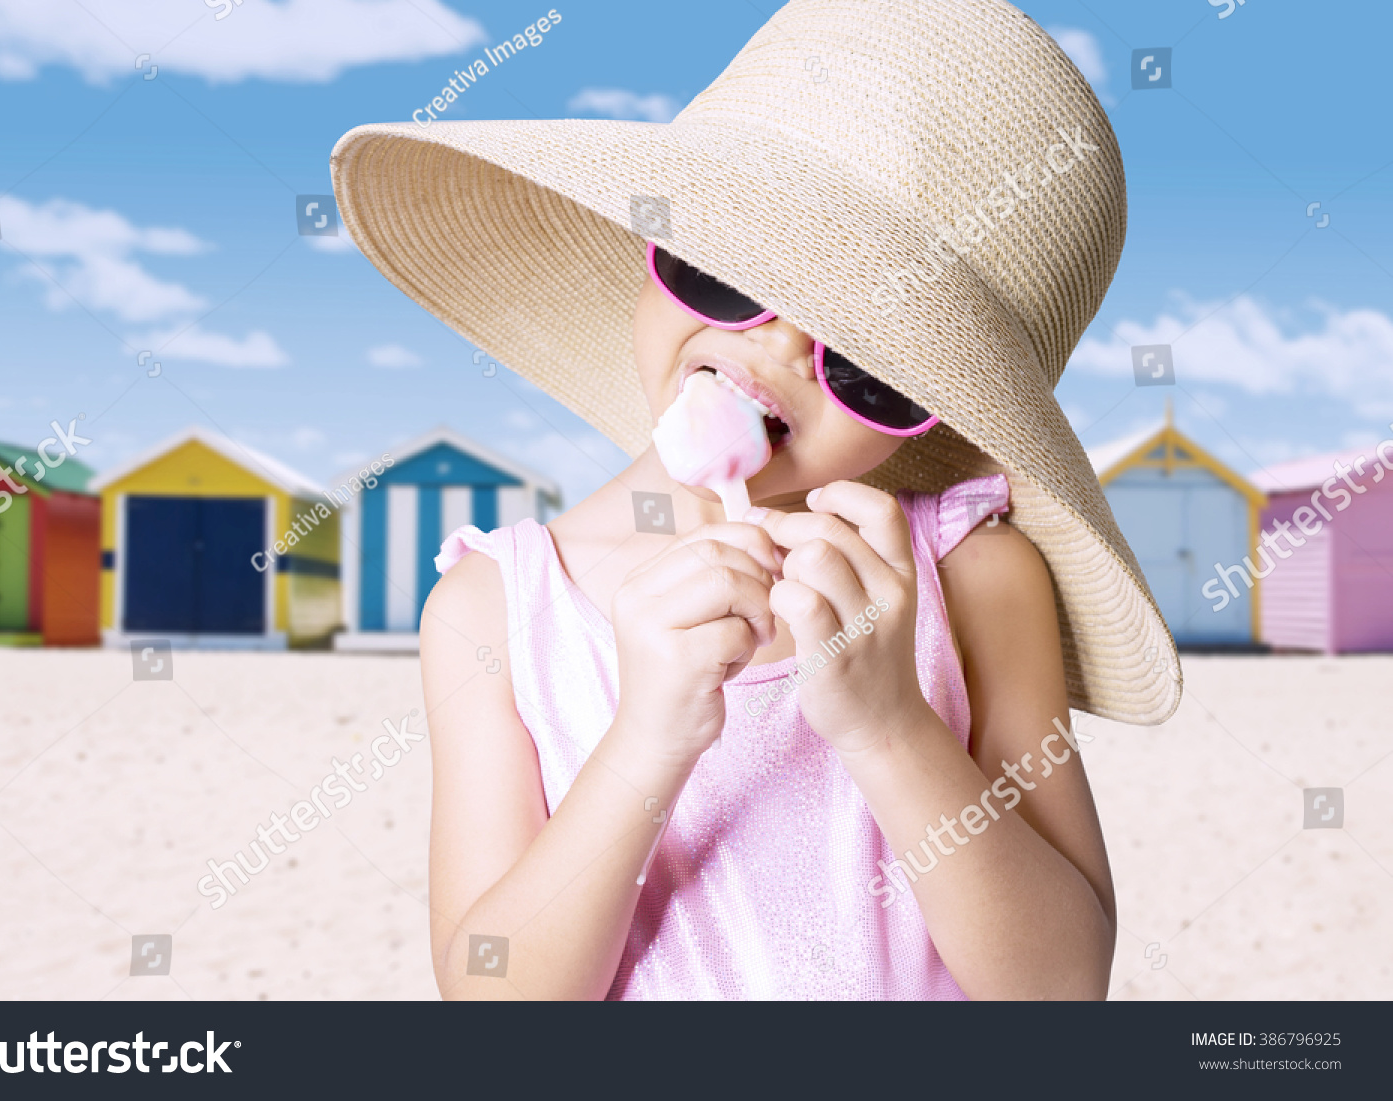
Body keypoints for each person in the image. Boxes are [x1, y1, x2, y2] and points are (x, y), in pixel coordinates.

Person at [331, 0, 1181, 999]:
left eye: (872, 362)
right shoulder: (494, 610)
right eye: (732, 273)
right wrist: (647, 741)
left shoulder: (975, 576)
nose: (777, 349)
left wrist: (891, 727)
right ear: (649, 259)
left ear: (941, 410)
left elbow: (1061, 988)